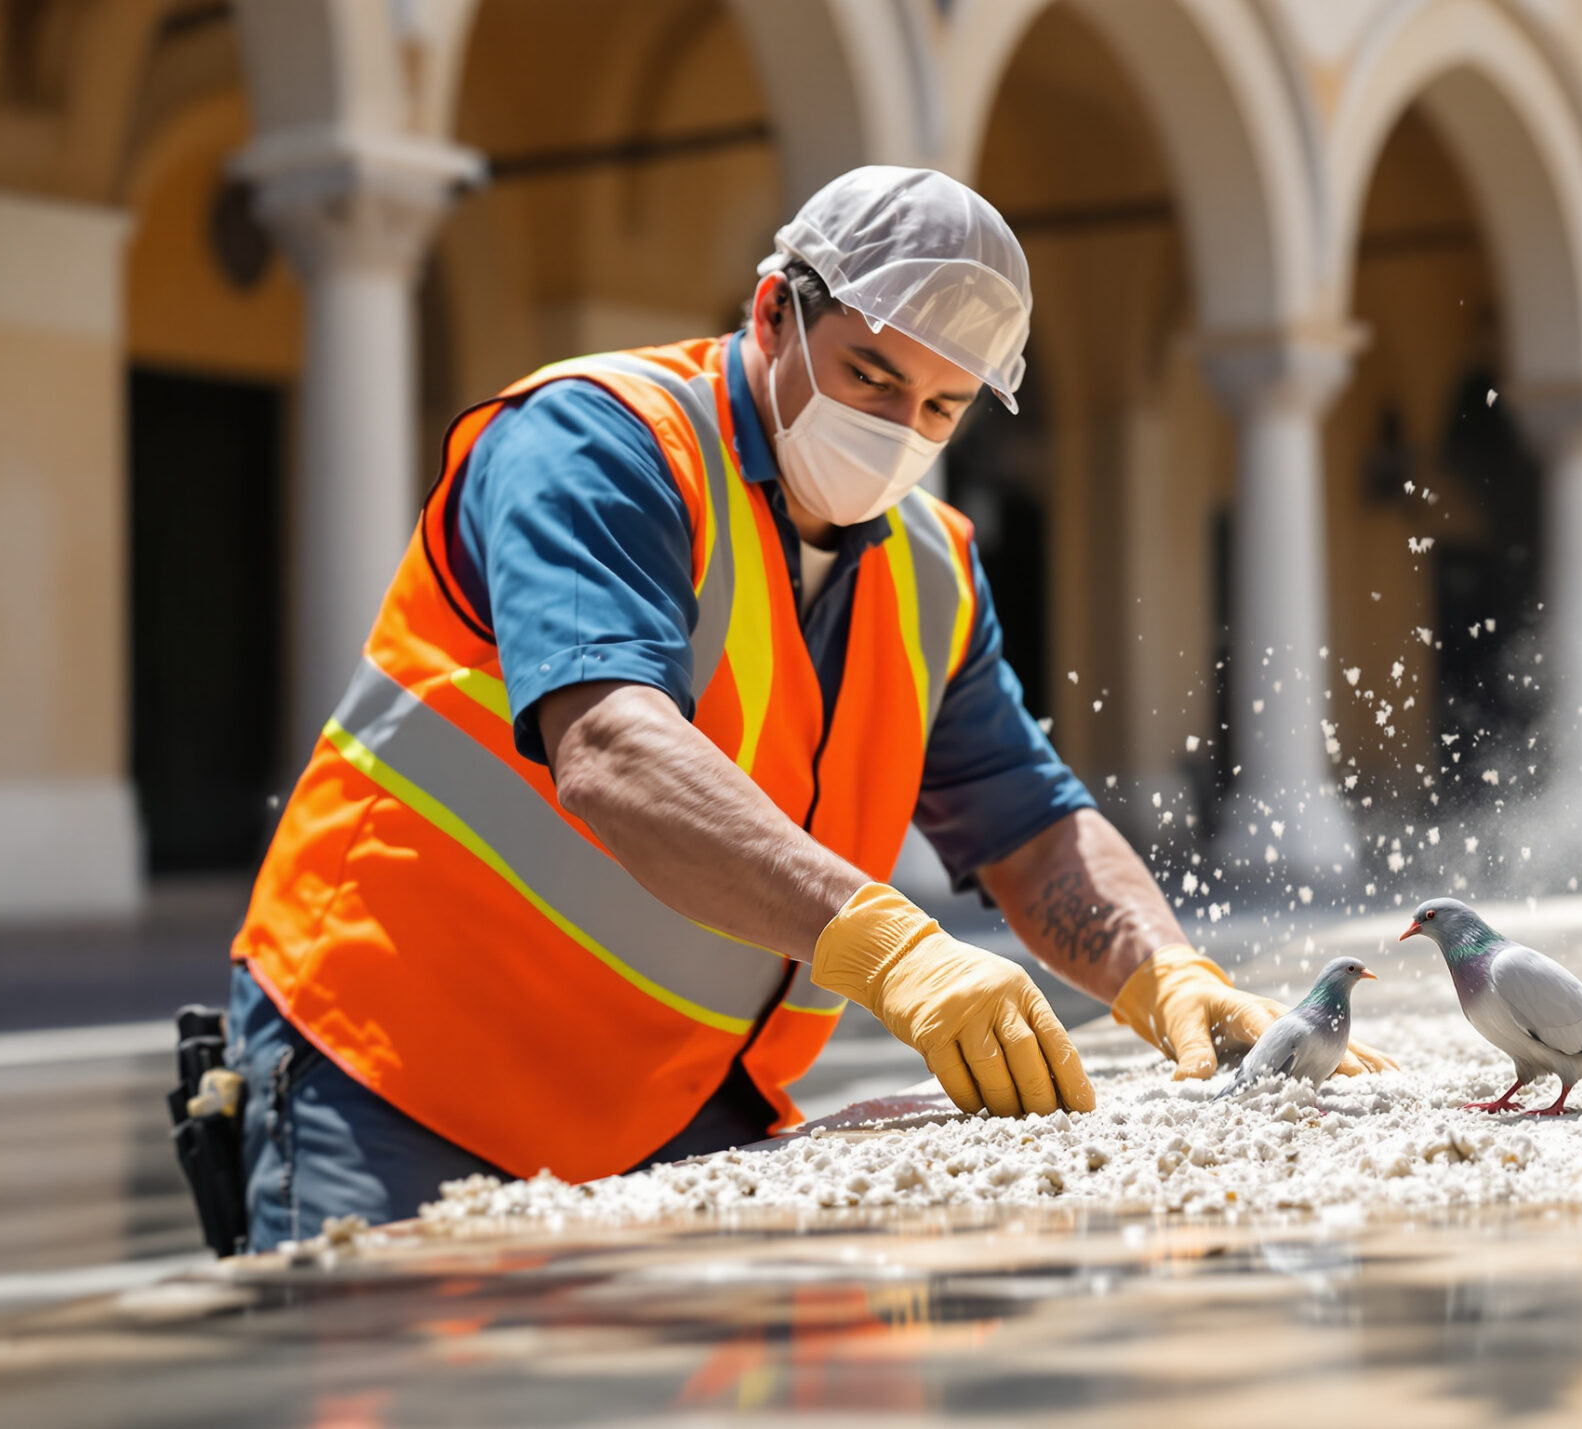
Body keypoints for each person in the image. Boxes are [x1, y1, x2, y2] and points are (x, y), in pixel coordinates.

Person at [223, 166, 1392, 1248]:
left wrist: (1165, 976)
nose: (895, 428)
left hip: (668, 1104)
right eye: (871, 374)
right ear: (773, 311)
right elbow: (612, 748)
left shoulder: (932, 567)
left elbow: (1028, 823)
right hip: (392, 1070)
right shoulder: (598, 443)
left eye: (939, 408)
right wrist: (896, 951)